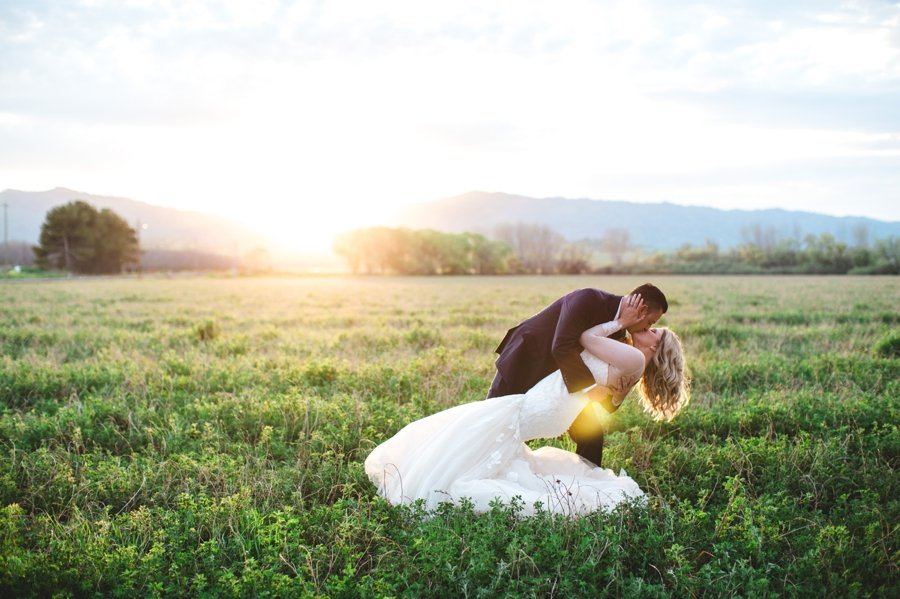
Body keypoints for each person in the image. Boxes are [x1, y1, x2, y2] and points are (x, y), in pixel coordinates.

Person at [364, 296, 689, 516]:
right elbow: (603, 398)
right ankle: (574, 475)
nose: (644, 328)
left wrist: (619, 324)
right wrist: (584, 391)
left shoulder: (630, 353)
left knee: (481, 430)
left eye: (651, 329)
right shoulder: (599, 312)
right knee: (488, 430)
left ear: (656, 344)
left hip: (548, 401)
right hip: (539, 379)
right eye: (648, 323)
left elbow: (586, 340)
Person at [488, 283, 669, 467]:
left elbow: (605, 391)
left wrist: (617, 397)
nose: (646, 328)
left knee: (592, 435)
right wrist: (590, 388)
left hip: (565, 382)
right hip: (528, 360)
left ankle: (588, 481)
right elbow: (561, 346)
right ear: (642, 310)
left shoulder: (619, 335)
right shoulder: (588, 299)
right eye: (650, 323)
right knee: (493, 419)